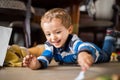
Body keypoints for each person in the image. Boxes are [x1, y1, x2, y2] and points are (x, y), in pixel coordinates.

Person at [22, 8, 118, 71]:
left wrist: (83, 54)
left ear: (69, 30)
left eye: (58, 32)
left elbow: (82, 46)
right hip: (84, 50)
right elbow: (45, 57)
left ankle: (110, 37)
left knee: (107, 55)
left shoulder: (73, 41)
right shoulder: (50, 45)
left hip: (93, 52)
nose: (53, 37)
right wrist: (37, 64)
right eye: (48, 34)